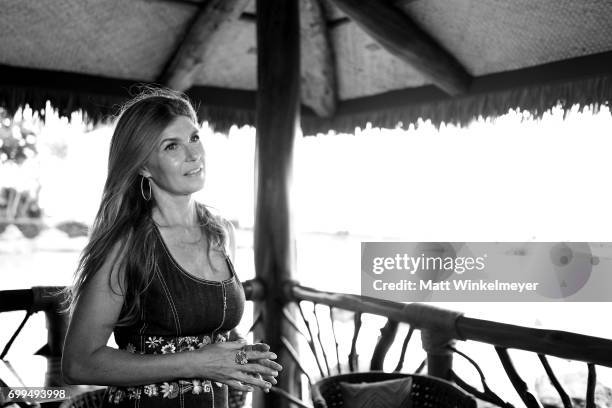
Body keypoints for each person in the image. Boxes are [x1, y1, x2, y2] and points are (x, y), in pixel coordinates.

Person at [61, 88, 282, 408]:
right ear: (143, 166)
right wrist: (198, 362)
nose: (194, 155)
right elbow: (78, 363)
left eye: (194, 138)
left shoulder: (222, 233)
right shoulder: (127, 244)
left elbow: (208, 327)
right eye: (171, 146)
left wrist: (239, 354)